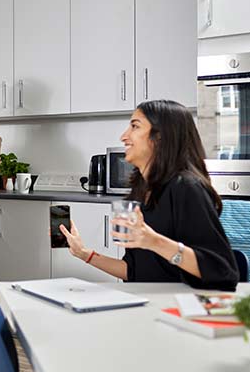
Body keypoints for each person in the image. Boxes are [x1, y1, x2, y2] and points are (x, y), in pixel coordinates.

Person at [59, 100, 239, 290]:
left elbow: (223, 272)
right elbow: (132, 271)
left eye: (135, 126)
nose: (124, 136)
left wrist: (154, 241)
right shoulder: (141, 190)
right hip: (147, 301)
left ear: (160, 136)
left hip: (179, 307)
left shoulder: (186, 187)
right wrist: (83, 253)